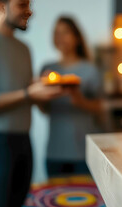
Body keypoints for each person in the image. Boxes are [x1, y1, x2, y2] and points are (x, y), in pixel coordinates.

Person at [0, 0, 65, 207]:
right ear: (1, 6)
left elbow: (21, 88)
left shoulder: (24, 48)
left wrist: (39, 86)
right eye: (22, 4)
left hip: (24, 140)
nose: (30, 11)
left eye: (30, 5)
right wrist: (28, 94)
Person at [40, 16, 103, 178]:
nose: (60, 37)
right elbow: (45, 110)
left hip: (83, 152)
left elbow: (101, 107)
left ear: (77, 37)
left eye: (65, 32)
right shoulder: (47, 70)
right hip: (55, 151)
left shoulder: (90, 70)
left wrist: (80, 101)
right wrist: (37, 94)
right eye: (56, 33)